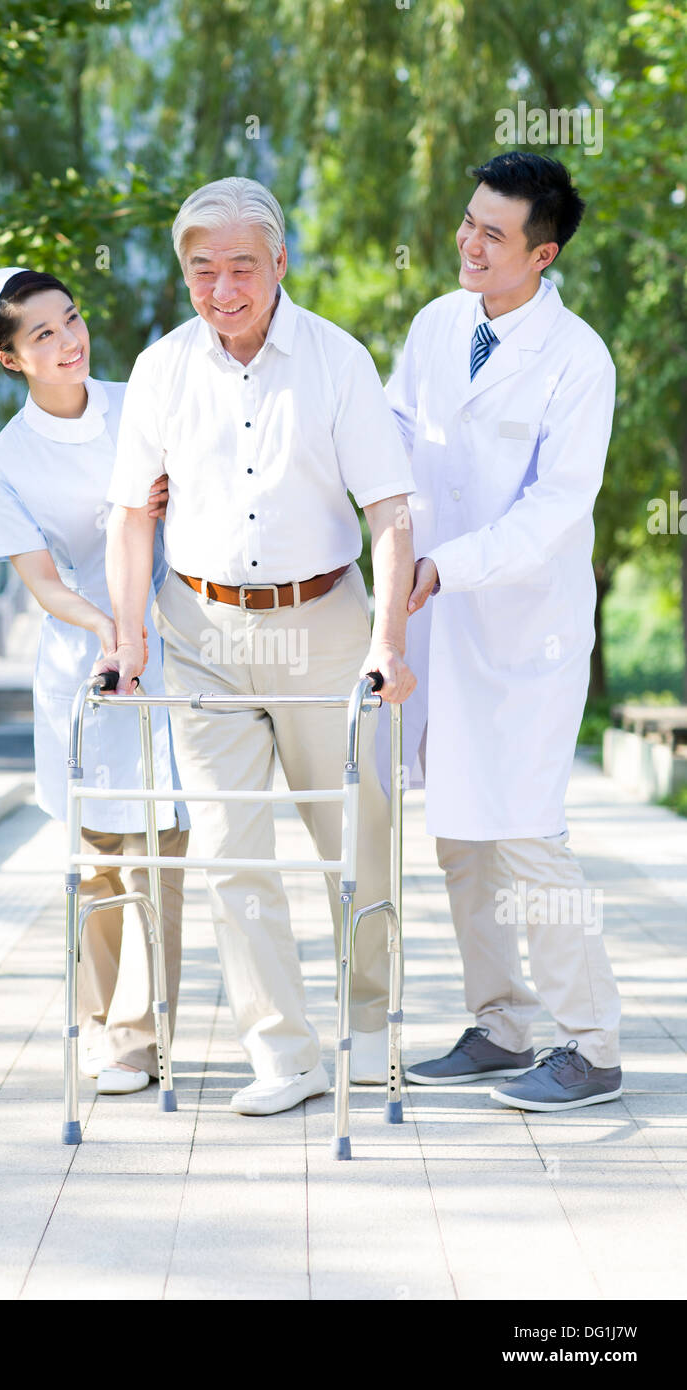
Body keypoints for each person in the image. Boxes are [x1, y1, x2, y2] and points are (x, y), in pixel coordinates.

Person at [101, 176, 416, 1117]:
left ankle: (368, 1029)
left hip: (324, 625)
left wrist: (387, 643)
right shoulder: (161, 369)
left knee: (357, 837)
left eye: (243, 265)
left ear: (280, 263)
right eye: (203, 269)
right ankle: (283, 1053)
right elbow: (128, 517)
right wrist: (127, 641)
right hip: (201, 631)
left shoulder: (337, 360)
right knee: (232, 850)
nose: (223, 287)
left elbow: (391, 514)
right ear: (183, 273)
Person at [384, 151, 622, 1111]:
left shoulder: (578, 360)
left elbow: (555, 511)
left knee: (525, 833)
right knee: (460, 834)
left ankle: (594, 1044)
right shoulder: (437, 325)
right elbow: (394, 442)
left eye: (494, 234)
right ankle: (501, 1024)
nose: (468, 243)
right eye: (468, 221)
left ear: (543, 253)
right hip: (441, 616)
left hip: (526, 629)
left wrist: (445, 568)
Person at [0, 266, 189, 1096]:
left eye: (73, 318)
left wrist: (145, 617)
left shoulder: (139, 406)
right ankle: (100, 1023)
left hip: (168, 648)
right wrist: (104, 631)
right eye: (43, 335)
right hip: (83, 667)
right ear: (11, 359)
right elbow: (44, 580)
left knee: (158, 853)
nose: (69, 341)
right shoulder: (6, 459)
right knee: (96, 861)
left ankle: (139, 1034)